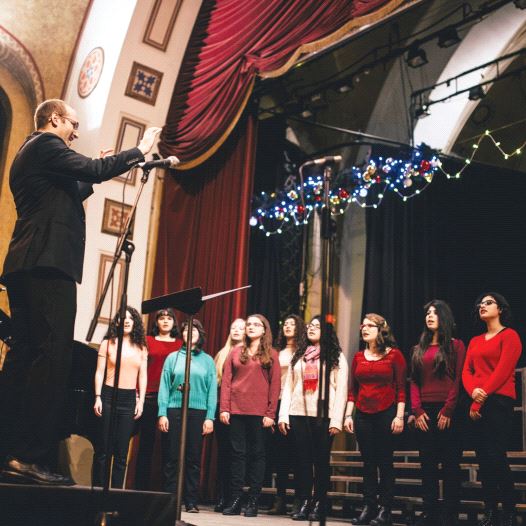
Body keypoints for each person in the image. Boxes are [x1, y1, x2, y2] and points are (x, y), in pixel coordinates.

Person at [0, 98, 160, 485]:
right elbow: (94, 169)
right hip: (48, 265)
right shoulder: (45, 144)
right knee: (50, 358)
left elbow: (67, 192)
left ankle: (10, 451)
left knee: (24, 358)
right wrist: (139, 149)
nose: (75, 132)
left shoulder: (32, 154)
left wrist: (89, 175)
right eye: (73, 124)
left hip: (26, 265)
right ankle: (30, 455)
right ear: (54, 119)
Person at [278, 315, 348, 522]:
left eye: (317, 326)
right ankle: (305, 500)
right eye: (310, 326)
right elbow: (289, 388)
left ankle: (319, 502)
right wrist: (284, 415)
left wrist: (337, 419)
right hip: (298, 412)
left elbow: (342, 389)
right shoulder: (299, 355)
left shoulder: (335, 356)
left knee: (321, 461)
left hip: (324, 415)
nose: (311, 328)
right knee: (302, 461)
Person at [462, 293, 522, 526]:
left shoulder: (510, 336)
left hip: (498, 402)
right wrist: (472, 393)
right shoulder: (476, 340)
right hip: (478, 400)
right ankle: (490, 510)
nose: (482, 306)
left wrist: (480, 397)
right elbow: (467, 372)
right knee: (483, 459)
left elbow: (503, 370)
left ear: (501, 308)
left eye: (488, 302)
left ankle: (509, 508)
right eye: (480, 303)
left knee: (496, 456)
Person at [344, 313, 406, 526]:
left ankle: (385, 509)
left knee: (385, 462)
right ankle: (369, 506)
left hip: (386, 413)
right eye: (363, 325)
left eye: (370, 325)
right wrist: (347, 414)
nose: (365, 328)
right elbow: (353, 389)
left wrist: (399, 416)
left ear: (381, 330)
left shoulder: (394, 355)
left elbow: (401, 388)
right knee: (368, 463)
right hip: (362, 414)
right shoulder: (359, 357)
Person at [410, 300, 466, 526]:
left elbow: (459, 380)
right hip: (425, 412)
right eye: (427, 313)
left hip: (448, 411)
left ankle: (450, 513)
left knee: (451, 464)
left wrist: (449, 409)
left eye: (435, 312)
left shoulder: (456, 345)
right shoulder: (417, 349)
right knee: (428, 464)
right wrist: (418, 410)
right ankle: (429, 511)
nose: (430, 316)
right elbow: (414, 381)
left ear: (444, 316)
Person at [220, 314, 280, 517]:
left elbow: (275, 386)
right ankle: (236, 498)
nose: (251, 327)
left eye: (257, 325)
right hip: (236, 410)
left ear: (264, 330)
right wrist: (224, 408)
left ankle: (253, 500)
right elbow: (227, 382)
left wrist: (271, 413)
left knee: (257, 456)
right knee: (237, 455)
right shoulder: (236, 352)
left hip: (259, 413)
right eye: (249, 324)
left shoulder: (272, 354)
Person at [158, 319, 216, 513]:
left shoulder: (208, 360)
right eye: (185, 331)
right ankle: (170, 500)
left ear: (200, 335)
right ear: (181, 335)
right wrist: (162, 413)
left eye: (194, 330)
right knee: (173, 457)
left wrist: (209, 417)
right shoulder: (172, 357)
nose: (189, 334)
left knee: (192, 458)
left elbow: (212, 392)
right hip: (175, 410)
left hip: (197, 412)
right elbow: (164, 387)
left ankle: (191, 501)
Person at [92, 306, 148, 489]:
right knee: (103, 450)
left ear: (135, 322)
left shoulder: (141, 348)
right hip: (108, 395)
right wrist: (98, 396)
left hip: (129, 398)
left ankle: (117, 492)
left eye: (130, 318)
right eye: (123, 318)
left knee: (122, 451)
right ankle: (99, 489)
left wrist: (140, 401)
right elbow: (99, 372)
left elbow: (143, 376)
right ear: (117, 321)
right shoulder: (107, 343)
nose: (126, 320)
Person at [135, 308, 182, 490]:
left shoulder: (180, 344)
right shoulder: (147, 341)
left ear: (173, 323)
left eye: (169, 318)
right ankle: (140, 489)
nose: (165, 321)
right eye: (161, 318)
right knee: (146, 444)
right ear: (156, 322)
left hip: (171, 400)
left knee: (169, 447)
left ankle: (167, 491)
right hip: (149, 396)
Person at [268, 314, 306, 516]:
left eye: (292, 324)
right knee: (280, 455)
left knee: (298, 455)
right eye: (285, 324)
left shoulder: (304, 352)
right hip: (279, 402)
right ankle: (280, 498)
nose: (288, 327)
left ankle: (299, 499)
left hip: (298, 405)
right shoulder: (277, 352)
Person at [213, 318, 246, 512]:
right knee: (223, 453)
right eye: (233, 327)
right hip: (221, 406)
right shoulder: (221, 353)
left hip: (239, 409)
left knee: (237, 454)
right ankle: (223, 496)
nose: (236, 330)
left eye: (241, 328)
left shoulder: (247, 354)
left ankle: (235, 497)